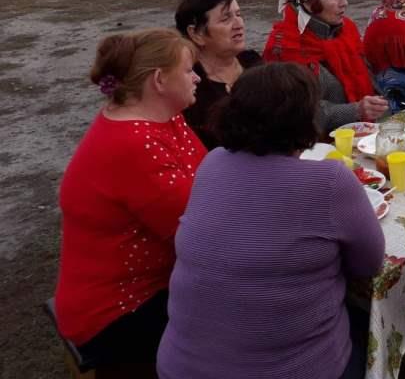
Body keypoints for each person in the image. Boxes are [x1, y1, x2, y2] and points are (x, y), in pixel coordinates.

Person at [157, 63, 385, 379]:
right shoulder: (330, 180)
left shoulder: (213, 162)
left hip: (180, 367)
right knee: (370, 328)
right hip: (294, 369)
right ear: (306, 122)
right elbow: (369, 266)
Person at [55, 29, 206, 375]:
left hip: (157, 282)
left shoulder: (166, 116)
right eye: (188, 71)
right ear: (159, 80)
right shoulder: (134, 146)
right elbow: (200, 234)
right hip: (118, 312)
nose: (197, 77)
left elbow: (208, 180)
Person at [263, 0, 389, 134]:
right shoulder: (285, 47)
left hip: (361, 133)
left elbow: (367, 76)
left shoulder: (345, 30)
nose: (344, 2)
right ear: (310, 1)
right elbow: (297, 111)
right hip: (312, 145)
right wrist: (356, 110)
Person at [175, 0, 262, 149]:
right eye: (225, 19)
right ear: (196, 33)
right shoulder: (191, 85)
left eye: (239, 14)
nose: (239, 24)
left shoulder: (252, 62)